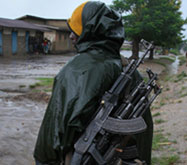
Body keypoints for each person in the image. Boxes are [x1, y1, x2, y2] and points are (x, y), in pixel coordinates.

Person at [33, 1, 153, 165]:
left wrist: (42, 161)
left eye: (75, 30)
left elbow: (51, 138)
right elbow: (145, 134)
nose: (71, 36)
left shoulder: (76, 71)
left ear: (90, 31)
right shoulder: (131, 72)